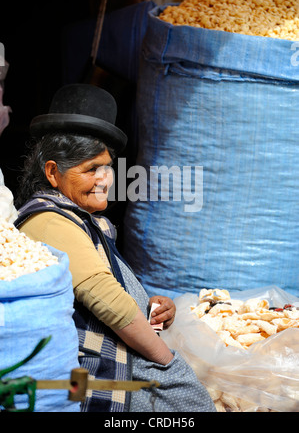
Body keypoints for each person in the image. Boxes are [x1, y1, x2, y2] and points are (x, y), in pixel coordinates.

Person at [15, 84, 216, 413]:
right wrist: (168, 364)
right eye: (91, 169)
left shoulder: (85, 222)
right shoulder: (50, 223)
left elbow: (111, 297)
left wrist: (150, 309)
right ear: (53, 172)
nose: (105, 179)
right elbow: (108, 302)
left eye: (107, 167)